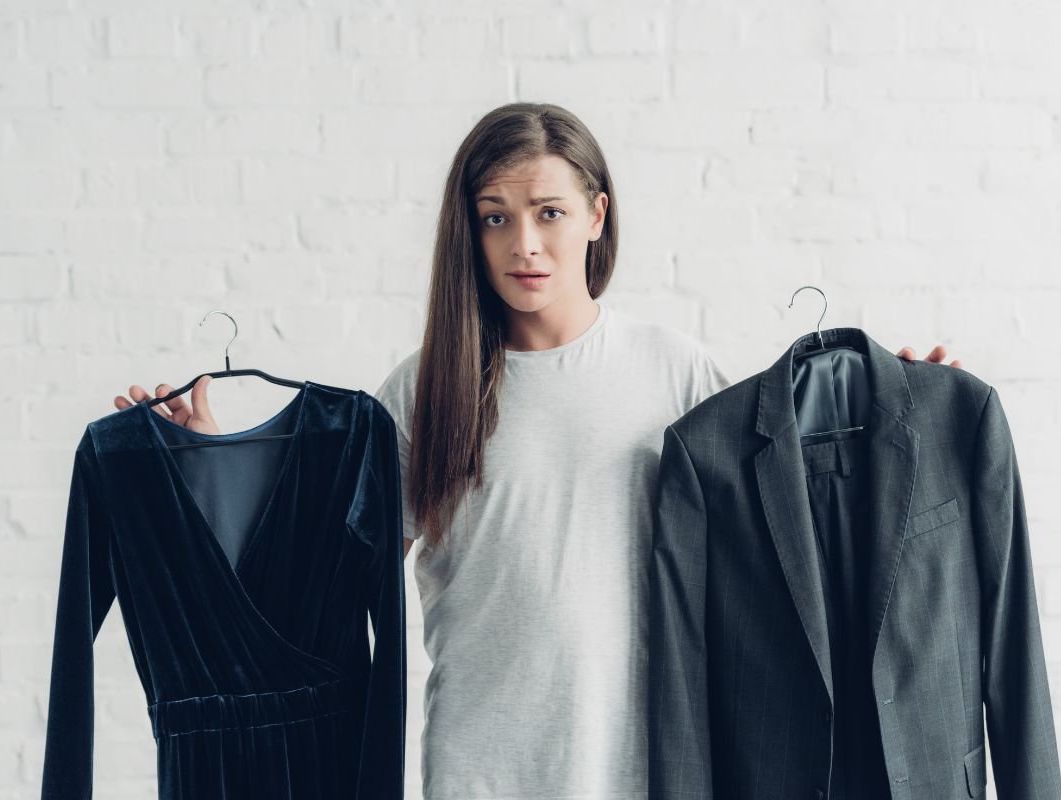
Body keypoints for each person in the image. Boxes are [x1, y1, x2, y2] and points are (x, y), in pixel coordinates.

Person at [115, 102, 962, 799]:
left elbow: (801, 535)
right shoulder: (423, 391)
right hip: (481, 771)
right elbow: (309, 588)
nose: (523, 244)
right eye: (496, 218)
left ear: (596, 215)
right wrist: (205, 473)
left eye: (548, 212)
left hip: (651, 770)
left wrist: (903, 423)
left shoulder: (677, 373)